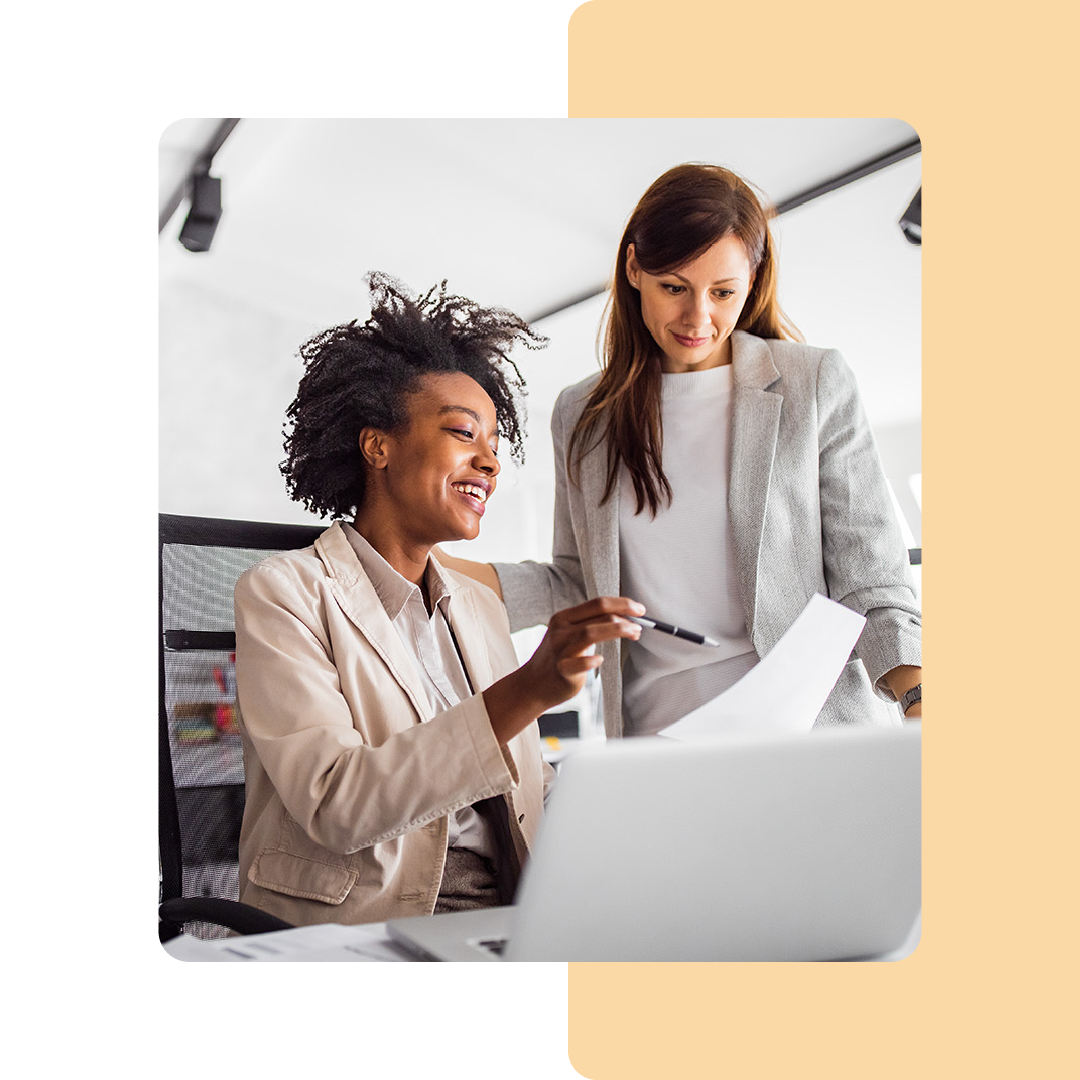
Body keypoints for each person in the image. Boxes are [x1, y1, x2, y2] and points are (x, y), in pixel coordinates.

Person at [437, 163, 922, 738]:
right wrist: (426, 567)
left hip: (808, 735)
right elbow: (576, 580)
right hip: (659, 741)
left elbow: (869, 576)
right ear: (634, 267)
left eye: (723, 292)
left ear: (753, 278)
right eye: (674, 288)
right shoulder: (582, 414)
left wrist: (918, 699)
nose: (699, 318)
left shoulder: (812, 383)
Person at [233, 273, 643, 928]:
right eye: (463, 433)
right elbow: (339, 804)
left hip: (510, 908)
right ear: (378, 447)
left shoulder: (476, 602)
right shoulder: (284, 595)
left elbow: (523, 784)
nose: (490, 463)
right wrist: (530, 690)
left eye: (494, 445)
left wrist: (638, 804)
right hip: (373, 922)